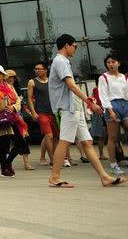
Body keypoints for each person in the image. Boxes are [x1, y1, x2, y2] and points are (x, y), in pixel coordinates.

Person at [47, 33, 122, 188]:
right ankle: (54, 177)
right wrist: (90, 102)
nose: (75, 49)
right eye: (74, 46)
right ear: (66, 45)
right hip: (68, 109)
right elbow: (71, 85)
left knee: (87, 142)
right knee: (64, 142)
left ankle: (104, 177)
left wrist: (86, 102)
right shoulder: (60, 61)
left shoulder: (63, 61)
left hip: (74, 108)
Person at [0, 64, 27, 178]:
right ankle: (4, 169)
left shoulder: (9, 86)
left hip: (12, 117)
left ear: (3, 75)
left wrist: (14, 107)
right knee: (4, 145)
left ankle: (8, 163)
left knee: (21, 143)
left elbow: (17, 100)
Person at [98, 54, 128, 176]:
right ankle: (113, 164)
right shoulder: (103, 77)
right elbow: (103, 95)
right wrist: (110, 110)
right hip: (112, 105)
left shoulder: (124, 77)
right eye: (108, 62)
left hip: (125, 104)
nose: (111, 64)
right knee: (113, 137)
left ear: (118, 63)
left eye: (113, 62)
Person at [26, 60, 57, 167]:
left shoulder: (52, 80)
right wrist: (33, 112)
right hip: (41, 113)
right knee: (48, 136)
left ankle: (53, 157)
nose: (37, 71)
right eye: (36, 69)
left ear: (45, 70)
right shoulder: (32, 82)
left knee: (55, 136)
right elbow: (29, 98)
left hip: (53, 111)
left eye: (40, 69)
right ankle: (53, 160)